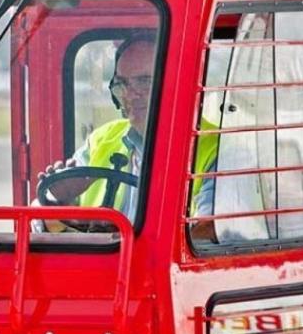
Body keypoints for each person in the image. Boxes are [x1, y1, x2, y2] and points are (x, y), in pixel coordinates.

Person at [35, 34, 219, 231]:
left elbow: (209, 233)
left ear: (176, 82)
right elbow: (39, 221)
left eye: (144, 82)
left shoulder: (215, 148)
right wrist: (59, 200)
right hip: (100, 260)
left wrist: (125, 238)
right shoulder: (102, 139)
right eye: (122, 84)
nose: (130, 95)